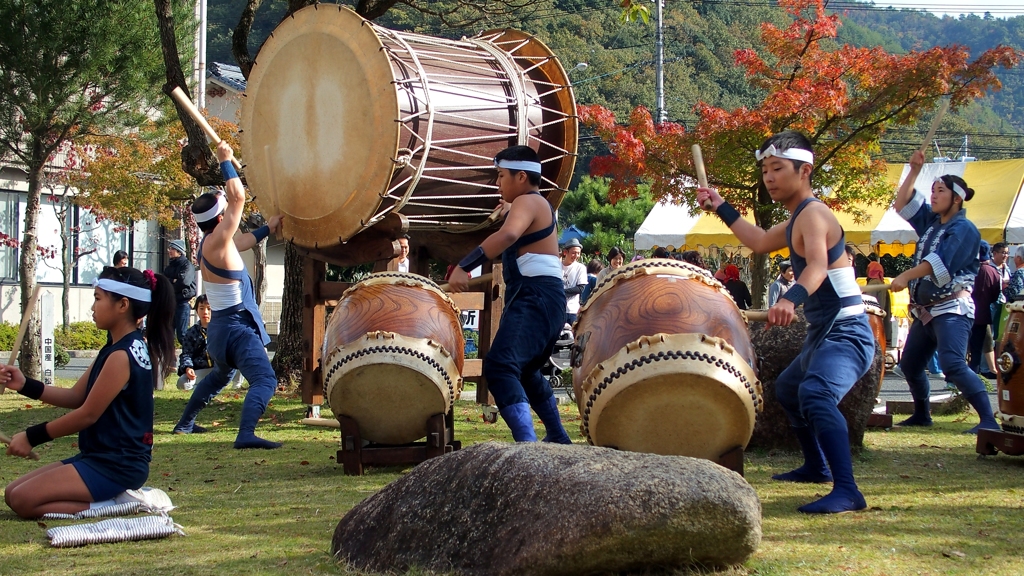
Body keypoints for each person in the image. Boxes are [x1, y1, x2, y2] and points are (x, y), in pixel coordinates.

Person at [697, 130, 874, 514]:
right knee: (791, 388)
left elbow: (817, 267)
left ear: (805, 170)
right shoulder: (797, 217)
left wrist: (791, 299)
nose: (769, 178)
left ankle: (848, 490)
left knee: (815, 394)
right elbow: (759, 241)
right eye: (765, 170)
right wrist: (721, 205)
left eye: (777, 168)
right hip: (824, 332)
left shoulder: (814, 213)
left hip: (847, 332)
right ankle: (817, 466)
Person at [2, 266, 174, 518]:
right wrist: (24, 384)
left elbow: (87, 415)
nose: (92, 308)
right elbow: (76, 397)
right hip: (98, 457)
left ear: (123, 305)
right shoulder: (115, 347)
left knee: (22, 500)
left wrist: (31, 436)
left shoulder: (122, 355)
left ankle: (119, 504)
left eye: (97, 298)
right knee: (12, 492)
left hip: (117, 465)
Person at [447, 145, 571, 444]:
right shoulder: (534, 204)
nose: (497, 182)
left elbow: (509, 235)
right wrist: (509, 210)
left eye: (501, 176)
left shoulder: (529, 201)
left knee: (501, 366)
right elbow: (519, 234)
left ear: (521, 177)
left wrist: (465, 265)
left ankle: (527, 447)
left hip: (536, 296)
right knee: (526, 371)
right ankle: (556, 436)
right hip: (545, 298)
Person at [172, 141, 284, 449]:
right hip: (236, 328)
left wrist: (268, 230)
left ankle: (184, 424)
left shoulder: (211, 243)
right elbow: (238, 196)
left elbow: (243, 242)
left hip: (221, 330)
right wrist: (224, 161)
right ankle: (246, 434)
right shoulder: (219, 240)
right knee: (265, 380)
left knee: (218, 376)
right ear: (221, 219)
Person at [889, 150, 999, 434]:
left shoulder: (964, 229)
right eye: (933, 191)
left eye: (940, 191)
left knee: (952, 365)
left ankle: (988, 419)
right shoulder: (931, 222)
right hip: (927, 312)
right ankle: (922, 414)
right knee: (911, 366)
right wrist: (913, 170)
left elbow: (940, 264)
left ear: (957, 198)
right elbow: (901, 204)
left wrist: (905, 276)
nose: (934, 196)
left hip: (951, 309)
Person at [968, 241, 1000, 379]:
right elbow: (995, 295)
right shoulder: (993, 271)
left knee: (962, 347)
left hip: (965, 312)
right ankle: (974, 375)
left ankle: (954, 378)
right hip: (983, 314)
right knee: (978, 348)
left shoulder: (968, 269)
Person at [163, 239, 197, 345]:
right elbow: (164, 281)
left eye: (172, 249)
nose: (169, 251)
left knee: (182, 334)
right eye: (169, 248)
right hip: (171, 302)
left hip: (183, 302)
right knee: (168, 333)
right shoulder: (169, 267)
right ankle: (171, 359)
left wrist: (172, 282)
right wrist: (172, 280)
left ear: (179, 251)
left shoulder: (187, 265)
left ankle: (188, 356)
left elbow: (184, 282)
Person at [560, 238, 588, 325]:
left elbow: (580, 288)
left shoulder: (580, 268)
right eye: (573, 253)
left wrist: (561, 293)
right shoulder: (556, 266)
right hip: (557, 308)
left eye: (578, 253)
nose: (576, 256)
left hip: (572, 310)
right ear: (565, 252)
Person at [866, 261, 892, 346]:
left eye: (868, 268)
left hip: (873, 327)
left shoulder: (874, 283)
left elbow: (868, 305)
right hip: (882, 327)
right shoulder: (882, 284)